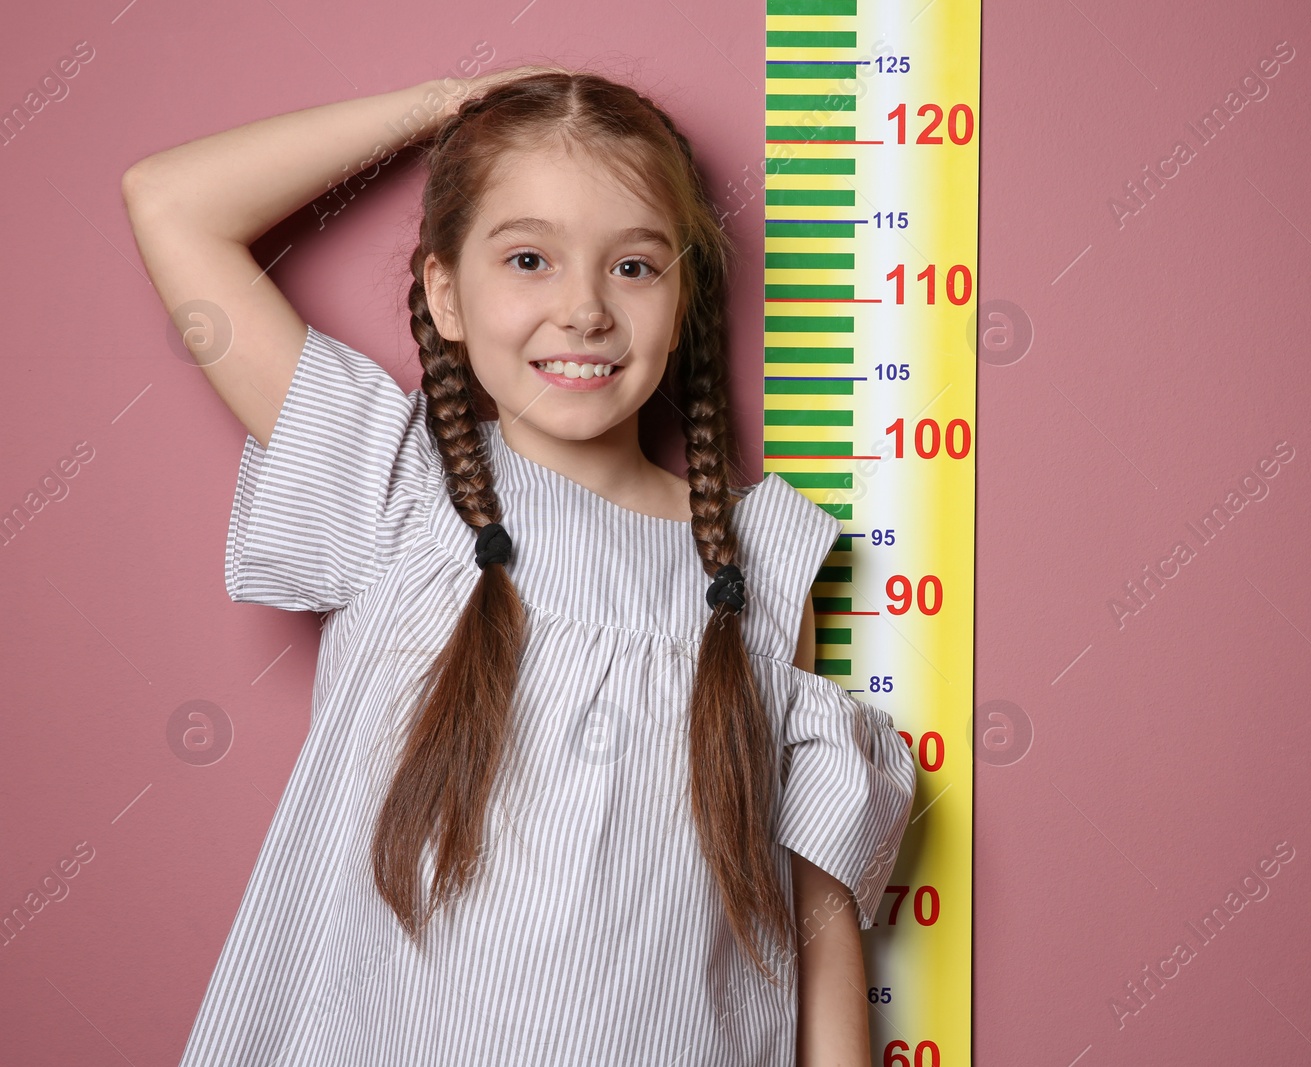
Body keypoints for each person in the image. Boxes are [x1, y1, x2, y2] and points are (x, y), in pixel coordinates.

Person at [122, 65, 917, 1066]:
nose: (584, 308)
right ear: (443, 292)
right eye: (530, 257)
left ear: (683, 301)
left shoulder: (755, 563)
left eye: (633, 266)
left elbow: (817, 919)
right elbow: (171, 202)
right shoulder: (398, 489)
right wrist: (441, 106)